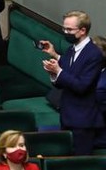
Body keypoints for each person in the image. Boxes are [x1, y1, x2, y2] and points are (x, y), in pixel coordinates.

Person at [39, 10, 104, 155]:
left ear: (82, 30)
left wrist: (59, 71)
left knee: (80, 162)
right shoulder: (71, 50)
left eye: (69, 30)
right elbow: (65, 79)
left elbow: (81, 86)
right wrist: (53, 72)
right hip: (67, 115)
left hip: (83, 121)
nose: (65, 32)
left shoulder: (94, 54)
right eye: (64, 29)